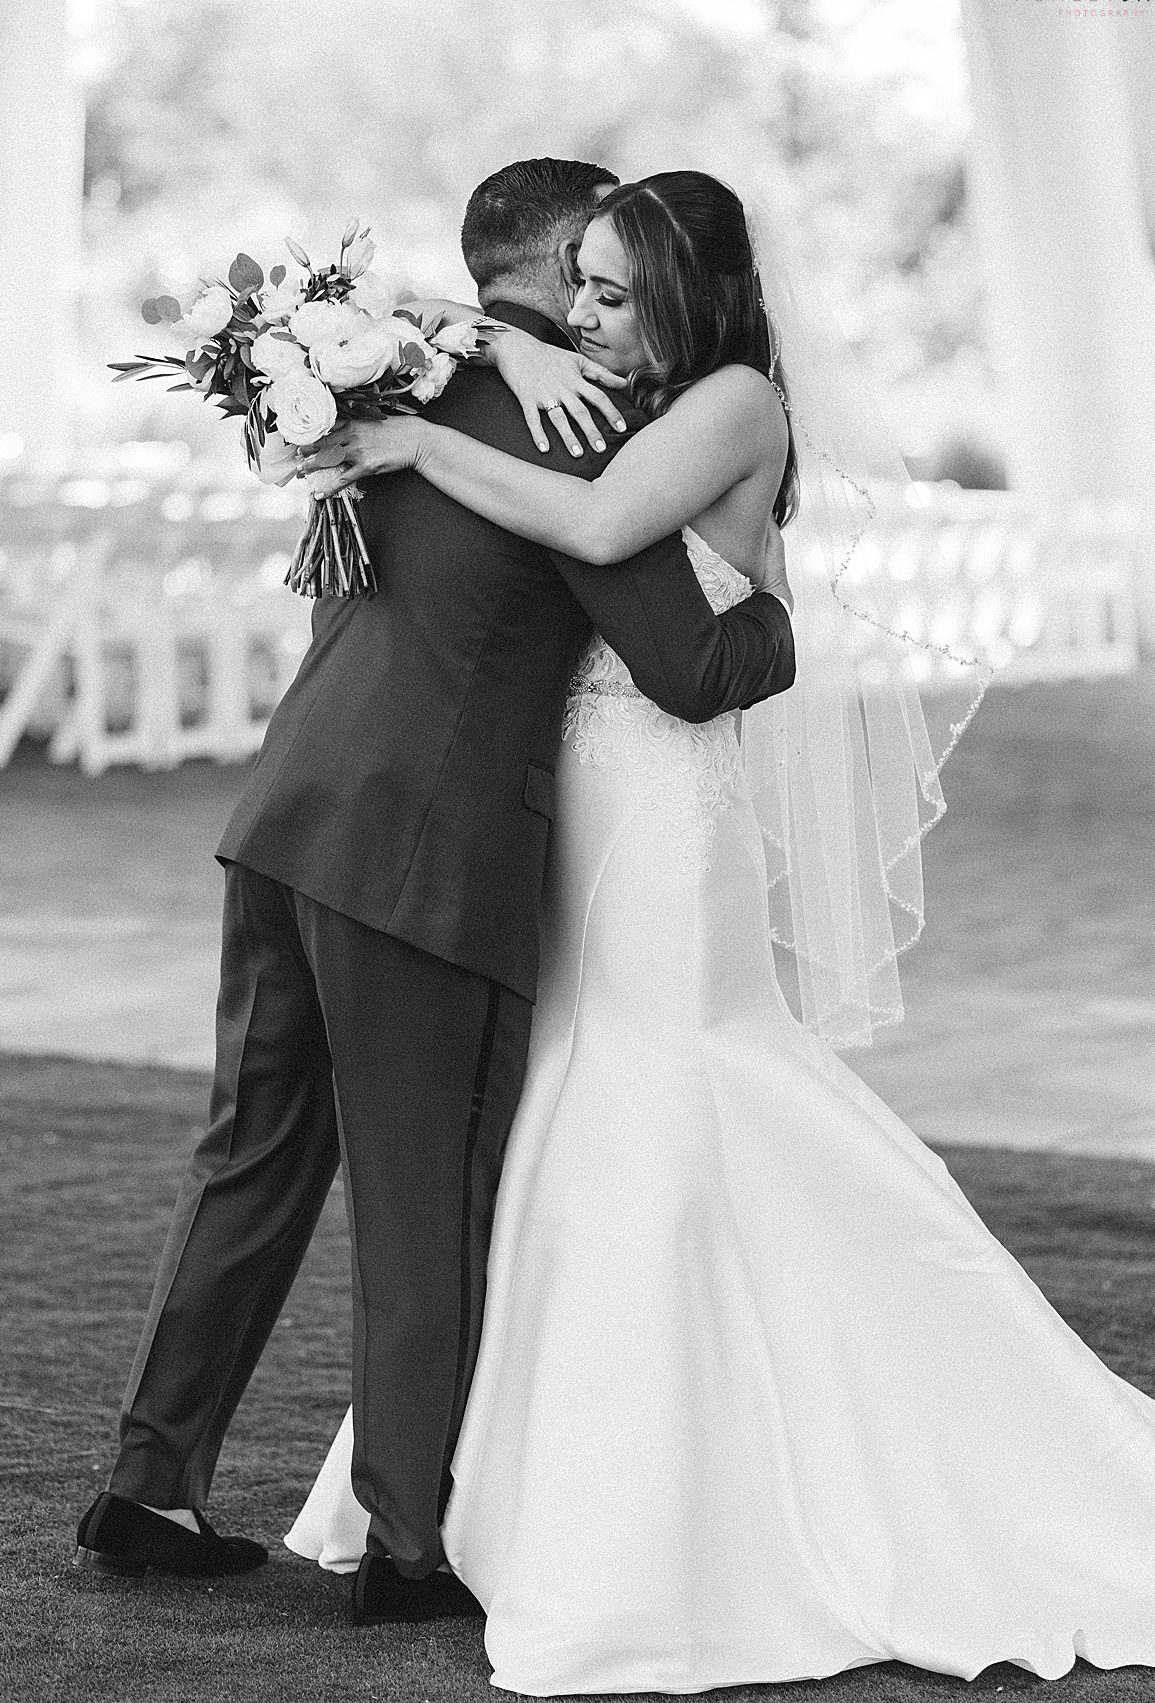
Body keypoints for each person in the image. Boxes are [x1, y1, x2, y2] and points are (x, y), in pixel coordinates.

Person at [286, 170, 1155, 1694]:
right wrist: (490, 347)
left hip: (654, 809)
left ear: (691, 295)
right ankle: (502, 1489)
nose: (578, 318)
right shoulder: (621, 378)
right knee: (574, 1110)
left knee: (677, 1090)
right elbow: (502, 360)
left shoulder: (726, 404)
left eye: (607, 293)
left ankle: (704, 1501)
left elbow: (589, 519)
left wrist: (415, 433)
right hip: (573, 788)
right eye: (571, 289)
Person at [72, 158, 797, 1626]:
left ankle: (149, 1486)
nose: (607, 303)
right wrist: (773, 593)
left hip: (288, 815)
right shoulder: (573, 427)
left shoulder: (380, 385)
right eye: (591, 272)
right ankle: (412, 1544)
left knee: (252, 1158)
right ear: (549, 266)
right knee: (423, 1192)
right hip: (417, 856)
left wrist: (496, 339)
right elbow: (695, 665)